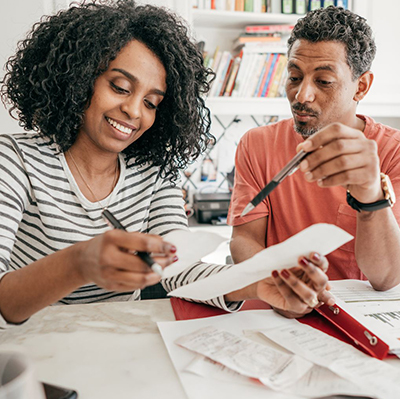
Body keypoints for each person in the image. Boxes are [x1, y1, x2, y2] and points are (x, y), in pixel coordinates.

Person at [0, 0, 332, 328]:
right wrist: (78, 264)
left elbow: (181, 271)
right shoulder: (15, 161)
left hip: (117, 347)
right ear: (80, 78)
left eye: (151, 102)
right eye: (120, 87)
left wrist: (261, 283)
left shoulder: (153, 174)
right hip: (30, 352)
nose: (134, 111)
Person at [228, 6, 400, 318]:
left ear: (360, 86)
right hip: (276, 312)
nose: (301, 95)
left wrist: (370, 191)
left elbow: (386, 277)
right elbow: (244, 239)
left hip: (354, 319)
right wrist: (279, 283)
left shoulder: (392, 153)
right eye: (294, 77)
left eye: (323, 81)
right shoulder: (256, 144)